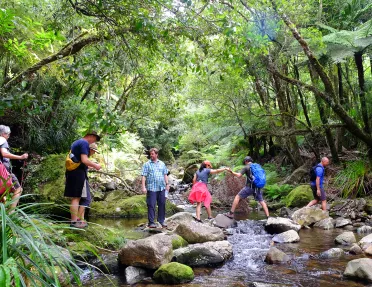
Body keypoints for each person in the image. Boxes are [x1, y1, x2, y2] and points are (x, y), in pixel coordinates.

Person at [64, 132, 101, 228]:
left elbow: (79, 160)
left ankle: (78, 220)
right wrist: (96, 165)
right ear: (91, 137)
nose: (93, 142)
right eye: (94, 140)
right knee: (77, 198)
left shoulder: (76, 142)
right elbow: (84, 160)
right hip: (78, 174)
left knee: (80, 198)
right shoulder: (84, 143)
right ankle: (74, 222)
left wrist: (90, 166)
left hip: (73, 173)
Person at [0, 125, 28, 210]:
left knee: (2, 194)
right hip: (3, 172)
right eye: (8, 134)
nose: (8, 136)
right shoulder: (2, 140)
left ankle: (3, 216)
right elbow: (4, 153)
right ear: (4, 134)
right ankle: (11, 214)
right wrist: (20, 157)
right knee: (18, 189)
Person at [141, 148, 169, 228]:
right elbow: (143, 176)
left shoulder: (162, 164)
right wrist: (143, 187)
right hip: (151, 188)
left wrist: (167, 184)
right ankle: (151, 222)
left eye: (153, 154)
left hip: (161, 188)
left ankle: (161, 221)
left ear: (156, 154)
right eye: (151, 154)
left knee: (162, 204)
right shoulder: (147, 164)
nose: (151, 155)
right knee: (151, 205)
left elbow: (165, 174)